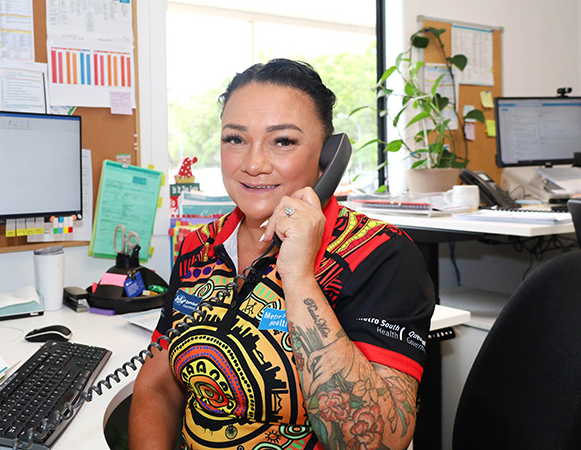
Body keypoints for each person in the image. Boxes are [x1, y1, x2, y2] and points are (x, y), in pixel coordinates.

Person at [129, 59, 435, 450]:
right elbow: (157, 386)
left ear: (328, 157)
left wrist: (299, 277)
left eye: (283, 141)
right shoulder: (199, 246)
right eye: (235, 139)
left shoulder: (381, 255)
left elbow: (372, 442)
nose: (253, 164)